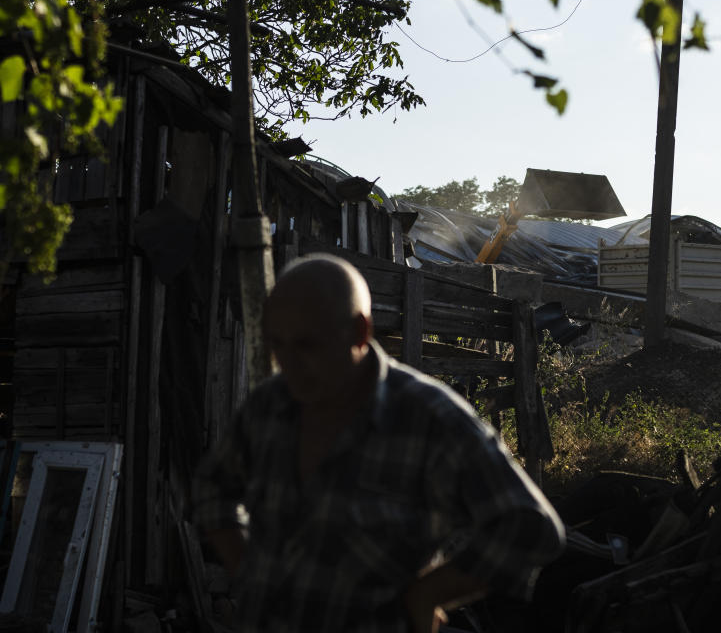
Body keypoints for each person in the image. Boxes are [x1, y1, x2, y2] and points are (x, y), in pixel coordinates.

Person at [191, 254, 565, 633]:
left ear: (359, 332)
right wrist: (250, 574)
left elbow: (530, 529)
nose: (288, 363)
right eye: (278, 344)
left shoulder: (428, 419)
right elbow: (213, 488)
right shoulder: (270, 404)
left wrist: (427, 593)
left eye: (307, 345)